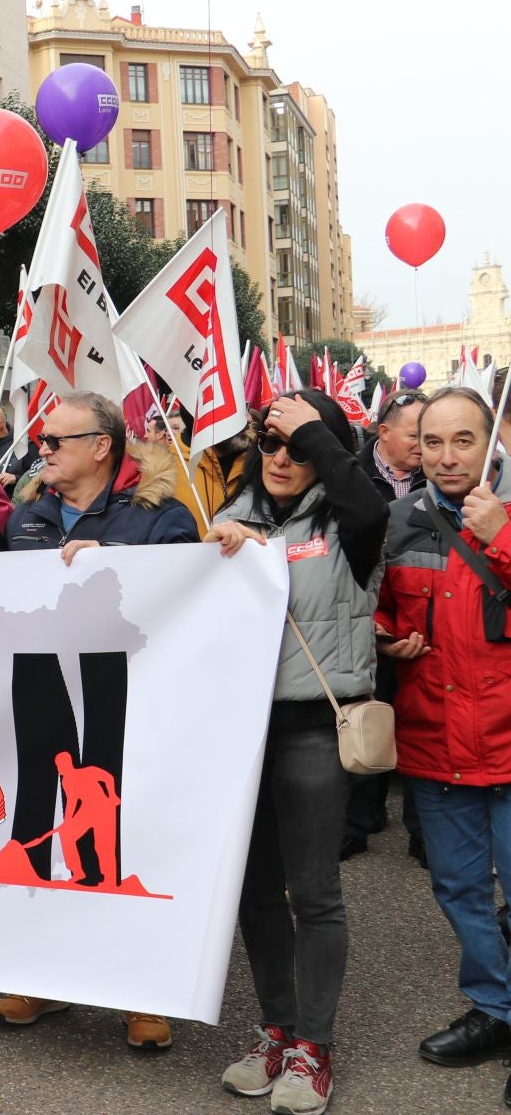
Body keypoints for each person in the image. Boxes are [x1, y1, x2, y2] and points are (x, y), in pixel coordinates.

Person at [0, 391, 197, 1051]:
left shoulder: (159, 515)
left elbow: (186, 600)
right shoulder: (30, 511)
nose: (42, 450)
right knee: (36, 829)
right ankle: (45, 975)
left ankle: (141, 995)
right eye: (41, 441)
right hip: (39, 696)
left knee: (116, 839)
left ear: (101, 445)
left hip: (123, 704)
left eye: (55, 441)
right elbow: (2, 595)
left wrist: (117, 571)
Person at [207, 390, 387, 1113]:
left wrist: (313, 430)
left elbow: (373, 508)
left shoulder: (351, 523)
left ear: (328, 452)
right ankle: (276, 1030)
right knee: (254, 893)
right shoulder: (226, 520)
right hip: (240, 735)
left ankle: (314, 1047)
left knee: (313, 894)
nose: (282, 458)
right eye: (271, 444)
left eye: (301, 447)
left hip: (316, 728)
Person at [373, 387, 511, 1103]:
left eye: (464, 441)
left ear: (492, 441)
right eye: (433, 442)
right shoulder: (400, 519)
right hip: (437, 742)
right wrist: (388, 639)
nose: (448, 457)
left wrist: (503, 537)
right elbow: (379, 609)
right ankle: (496, 1010)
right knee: (459, 888)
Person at [347, 387, 430, 864]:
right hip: (365, 618)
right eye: (417, 435)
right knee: (366, 718)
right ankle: (359, 820)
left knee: (417, 727)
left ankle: (424, 834)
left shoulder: (441, 483)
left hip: (420, 626)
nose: (425, 446)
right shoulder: (350, 478)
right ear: (383, 433)